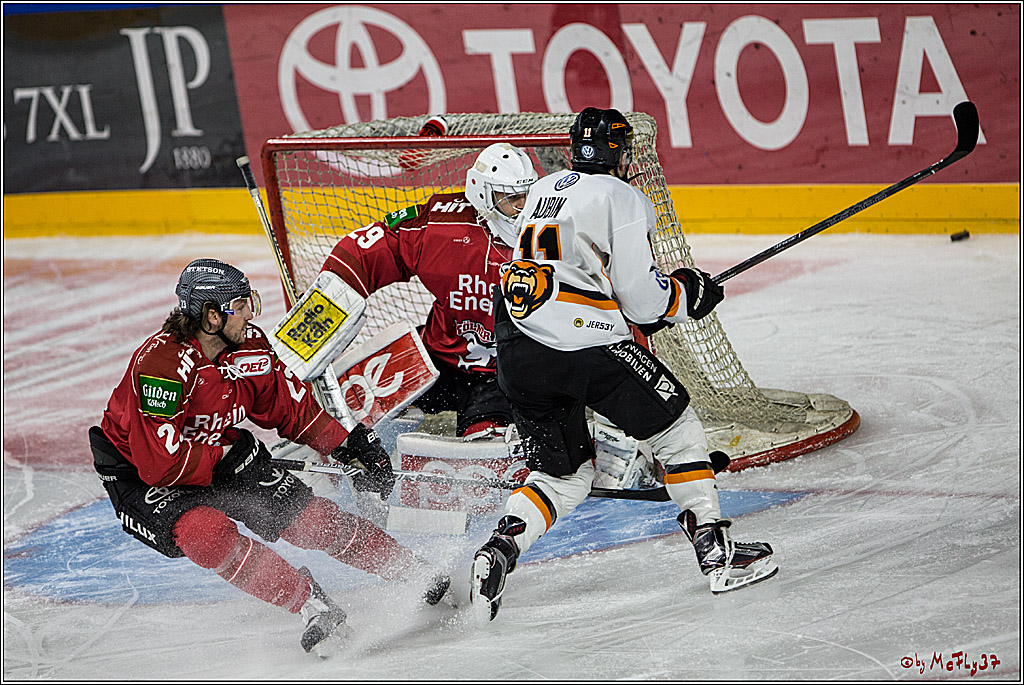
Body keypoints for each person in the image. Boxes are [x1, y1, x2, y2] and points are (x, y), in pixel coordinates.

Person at [470, 107, 778, 620]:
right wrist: (686, 297)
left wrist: (650, 307)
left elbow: (572, 276)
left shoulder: (543, 191)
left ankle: (499, 549)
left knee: (563, 477)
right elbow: (642, 301)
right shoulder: (623, 197)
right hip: (581, 347)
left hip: (519, 351)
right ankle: (718, 553)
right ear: (620, 151)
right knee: (676, 427)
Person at [90, 258, 450, 653]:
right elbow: (160, 463)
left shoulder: (249, 347)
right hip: (141, 475)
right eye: (242, 305)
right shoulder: (162, 366)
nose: (251, 313)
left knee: (308, 518)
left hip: (215, 450)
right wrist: (224, 457)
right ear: (212, 316)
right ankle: (309, 602)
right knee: (206, 535)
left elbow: (290, 409)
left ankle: (412, 571)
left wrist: (347, 446)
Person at [319, 137, 538, 440]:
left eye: (527, 195)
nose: (522, 208)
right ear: (483, 194)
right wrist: (325, 304)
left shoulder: (551, 232)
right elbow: (370, 248)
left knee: (487, 450)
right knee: (352, 407)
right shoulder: (442, 223)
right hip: (438, 355)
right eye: (511, 197)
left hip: (508, 373)